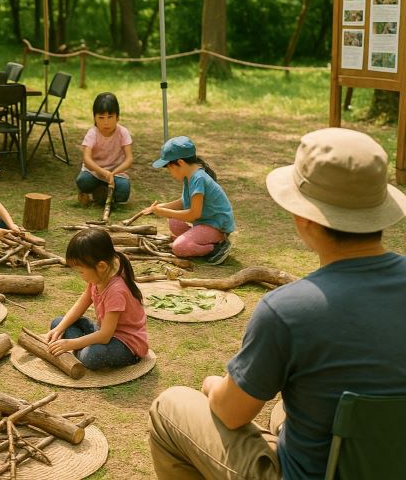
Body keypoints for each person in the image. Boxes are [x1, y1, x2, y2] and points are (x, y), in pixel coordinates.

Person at [148, 128, 406, 480]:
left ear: (303, 218)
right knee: (287, 409)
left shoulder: (288, 310)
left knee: (170, 406)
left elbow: (231, 413)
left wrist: (212, 384)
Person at [45, 227, 148, 369]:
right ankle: (79, 347)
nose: (80, 276)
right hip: (104, 330)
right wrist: (60, 328)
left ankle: (79, 350)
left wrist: (70, 344)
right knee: (58, 323)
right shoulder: (102, 273)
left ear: (101, 266)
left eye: (81, 271)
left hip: (125, 344)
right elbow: (84, 300)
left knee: (92, 356)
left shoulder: (116, 290)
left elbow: (105, 335)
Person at [141, 136, 234, 265]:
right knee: (174, 221)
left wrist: (165, 212)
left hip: (215, 226)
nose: (170, 173)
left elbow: (193, 214)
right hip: (203, 223)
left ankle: (216, 247)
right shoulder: (189, 176)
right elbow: (183, 201)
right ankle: (195, 240)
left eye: (169, 168)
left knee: (178, 248)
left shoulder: (198, 179)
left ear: (180, 163)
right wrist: (161, 207)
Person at [76, 92, 134, 207]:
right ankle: (100, 190)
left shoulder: (123, 132)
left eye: (110, 117)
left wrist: (113, 173)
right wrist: (103, 173)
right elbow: (87, 158)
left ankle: (103, 191)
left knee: (124, 193)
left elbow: (129, 159)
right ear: (95, 118)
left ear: (117, 117)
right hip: (94, 172)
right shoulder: (93, 133)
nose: (106, 122)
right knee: (82, 181)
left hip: (116, 173)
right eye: (101, 118)